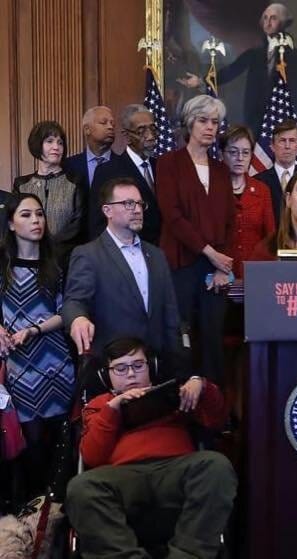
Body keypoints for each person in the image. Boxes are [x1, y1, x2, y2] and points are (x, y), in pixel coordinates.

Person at [65, 337, 237, 559]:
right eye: (120, 368)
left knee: (217, 466)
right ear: (106, 374)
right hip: (123, 477)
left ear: (151, 366)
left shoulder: (173, 393)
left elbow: (217, 419)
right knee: (80, 487)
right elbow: (91, 456)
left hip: (175, 469)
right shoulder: (100, 405)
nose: (130, 374)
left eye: (138, 365)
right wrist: (114, 408)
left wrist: (202, 386)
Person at [156, 95, 235, 386]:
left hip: (215, 272)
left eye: (215, 122)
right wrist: (211, 253)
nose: (210, 127)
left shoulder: (221, 170)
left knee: (213, 341)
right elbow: (173, 217)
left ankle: (213, 415)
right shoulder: (168, 164)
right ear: (189, 123)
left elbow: (229, 221)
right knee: (182, 339)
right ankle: (182, 410)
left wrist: (221, 266)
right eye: (203, 121)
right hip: (180, 265)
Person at [0, 193, 74, 499]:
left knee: (60, 440)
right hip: (18, 363)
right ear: (11, 224)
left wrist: (34, 329)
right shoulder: (1, 262)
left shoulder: (56, 262)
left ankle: (57, 508)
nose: (36, 221)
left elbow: (67, 312)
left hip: (55, 360)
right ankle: (31, 509)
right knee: (29, 443)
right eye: (27, 215)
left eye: (40, 214)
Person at [61, 178, 180, 357]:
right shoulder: (88, 254)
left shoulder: (156, 255)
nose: (138, 210)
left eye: (140, 204)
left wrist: (179, 362)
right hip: (115, 364)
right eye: (128, 204)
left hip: (157, 363)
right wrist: (78, 318)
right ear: (107, 210)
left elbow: (171, 314)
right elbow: (74, 301)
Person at [179, 3, 297, 141]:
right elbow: (231, 71)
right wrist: (201, 81)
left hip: (285, 120)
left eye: (273, 18)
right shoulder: (255, 54)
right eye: (265, 18)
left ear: (284, 22)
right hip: (257, 121)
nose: (268, 23)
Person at [13, 121, 86, 270]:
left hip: (67, 260)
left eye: (60, 143)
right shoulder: (21, 184)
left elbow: (78, 223)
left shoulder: (75, 181)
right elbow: (15, 221)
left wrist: (51, 245)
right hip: (28, 259)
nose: (56, 147)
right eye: (50, 141)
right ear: (37, 144)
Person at [89, 105, 161, 245]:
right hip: (127, 253)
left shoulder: (162, 167)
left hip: (163, 257)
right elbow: (97, 224)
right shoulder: (108, 171)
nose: (151, 136)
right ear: (127, 136)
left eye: (153, 129)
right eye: (141, 131)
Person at [221, 125, 275, 278]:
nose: (240, 158)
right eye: (233, 152)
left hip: (256, 275)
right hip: (220, 274)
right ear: (222, 154)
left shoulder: (262, 190)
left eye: (245, 153)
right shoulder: (213, 189)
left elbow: (270, 237)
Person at [254, 119, 297, 227]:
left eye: (292, 140)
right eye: (282, 140)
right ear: (272, 145)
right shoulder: (258, 181)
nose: (287, 146)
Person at [64, 106, 116, 193]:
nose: (110, 127)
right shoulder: (68, 166)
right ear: (87, 129)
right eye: (104, 122)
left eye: (112, 124)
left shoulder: (124, 164)